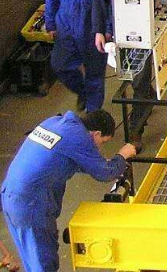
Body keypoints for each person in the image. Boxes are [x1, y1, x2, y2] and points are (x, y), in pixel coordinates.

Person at [1, 110, 136, 272]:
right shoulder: (79, 137)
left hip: (11, 197)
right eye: (103, 142)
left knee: (33, 258)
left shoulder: (54, 123)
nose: (99, 147)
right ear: (96, 133)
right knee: (44, 262)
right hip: (31, 206)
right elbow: (105, 173)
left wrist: (96, 163)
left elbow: (61, 161)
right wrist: (122, 155)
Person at [91, 0, 151, 150]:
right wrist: (99, 30)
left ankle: (136, 130)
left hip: (145, 31)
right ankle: (148, 96)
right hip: (121, 32)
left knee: (139, 80)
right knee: (133, 76)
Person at [44, 0, 107, 113]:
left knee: (95, 74)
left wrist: (107, 29)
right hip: (66, 30)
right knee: (60, 66)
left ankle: (92, 116)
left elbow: (107, 2)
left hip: (92, 31)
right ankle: (83, 91)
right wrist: (50, 24)